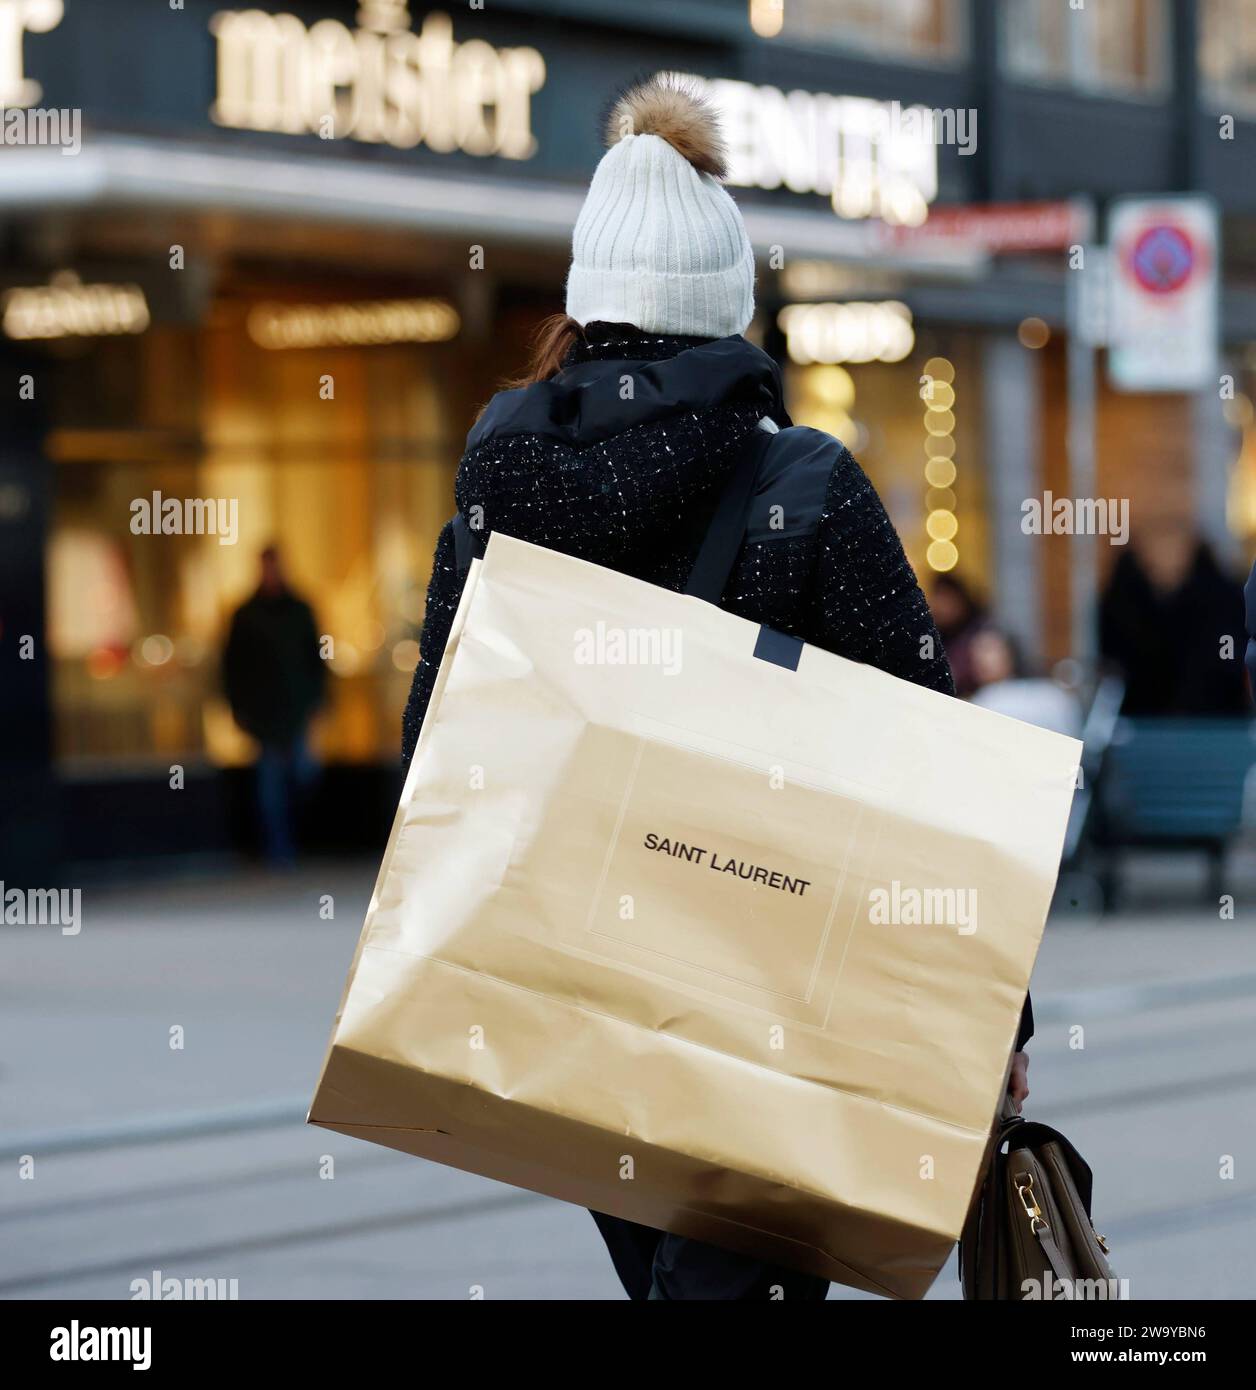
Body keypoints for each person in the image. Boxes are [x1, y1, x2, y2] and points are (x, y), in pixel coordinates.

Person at [401, 75, 1031, 1300]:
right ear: (726, 306)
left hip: (574, 994)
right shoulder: (802, 484)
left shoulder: (496, 484)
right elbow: (926, 774)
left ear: (588, 305)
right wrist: (991, 1019)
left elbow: (438, 755)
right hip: (768, 995)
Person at [223, 545, 325, 866]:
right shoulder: (247, 614)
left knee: (300, 777)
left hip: (294, 711)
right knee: (270, 787)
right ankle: (279, 849)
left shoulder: (299, 610)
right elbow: (233, 667)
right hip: (265, 716)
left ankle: (297, 844)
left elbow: (316, 659)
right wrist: (239, 708)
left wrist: (316, 700)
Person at [1099, 525, 1248, 716]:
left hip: (1214, 725)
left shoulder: (1224, 599)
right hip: (1136, 725)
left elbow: (1228, 663)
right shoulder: (1119, 602)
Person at [969, 627, 1083, 738]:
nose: (979, 658)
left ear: (1010, 653)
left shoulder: (1052, 696)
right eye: (974, 652)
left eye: (988, 650)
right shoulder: (981, 700)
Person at [927, 573, 987, 698]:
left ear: (960, 599)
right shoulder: (932, 635)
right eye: (938, 598)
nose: (940, 605)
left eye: (946, 598)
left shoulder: (981, 632)